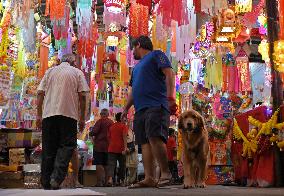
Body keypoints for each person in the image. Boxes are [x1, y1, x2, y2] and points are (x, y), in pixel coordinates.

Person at [122, 35, 177, 188]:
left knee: (154, 137)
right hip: (140, 108)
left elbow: (169, 73)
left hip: (156, 104)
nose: (132, 52)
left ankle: (165, 173)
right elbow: (133, 91)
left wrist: (170, 96)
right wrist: (126, 108)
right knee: (144, 143)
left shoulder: (156, 54)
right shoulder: (136, 68)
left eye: (133, 48)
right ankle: (149, 177)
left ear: (138, 44)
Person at [37, 53, 89, 190]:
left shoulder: (49, 72)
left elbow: (39, 93)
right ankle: (56, 178)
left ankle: (45, 181)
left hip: (48, 115)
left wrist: (38, 115)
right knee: (67, 146)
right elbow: (83, 96)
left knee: (49, 147)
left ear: (60, 61)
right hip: (68, 114)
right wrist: (82, 118)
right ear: (73, 62)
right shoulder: (77, 73)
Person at [90, 109, 113, 186]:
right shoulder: (111, 122)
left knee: (98, 163)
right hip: (108, 146)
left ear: (101, 114)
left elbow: (94, 132)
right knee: (106, 164)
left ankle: (99, 182)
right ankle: (107, 182)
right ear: (108, 114)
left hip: (99, 146)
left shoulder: (100, 121)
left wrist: (91, 133)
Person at [106, 112, 128, 186]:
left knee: (111, 165)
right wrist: (125, 148)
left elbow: (108, 138)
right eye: (124, 117)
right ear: (121, 118)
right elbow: (124, 138)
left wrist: (111, 144)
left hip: (111, 148)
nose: (125, 119)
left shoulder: (112, 126)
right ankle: (121, 181)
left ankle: (110, 180)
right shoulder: (123, 126)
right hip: (121, 149)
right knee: (122, 165)